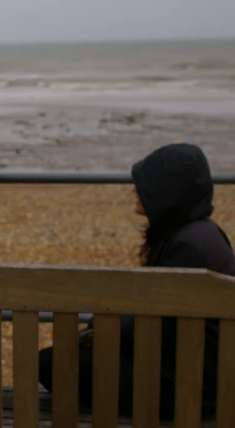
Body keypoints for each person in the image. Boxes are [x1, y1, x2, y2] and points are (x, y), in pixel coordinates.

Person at [38, 142, 235, 419]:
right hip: (204, 374)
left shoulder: (188, 246)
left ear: (168, 192)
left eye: (146, 184)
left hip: (194, 387)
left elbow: (156, 326)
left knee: (53, 363)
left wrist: (100, 328)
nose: (134, 189)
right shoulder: (200, 234)